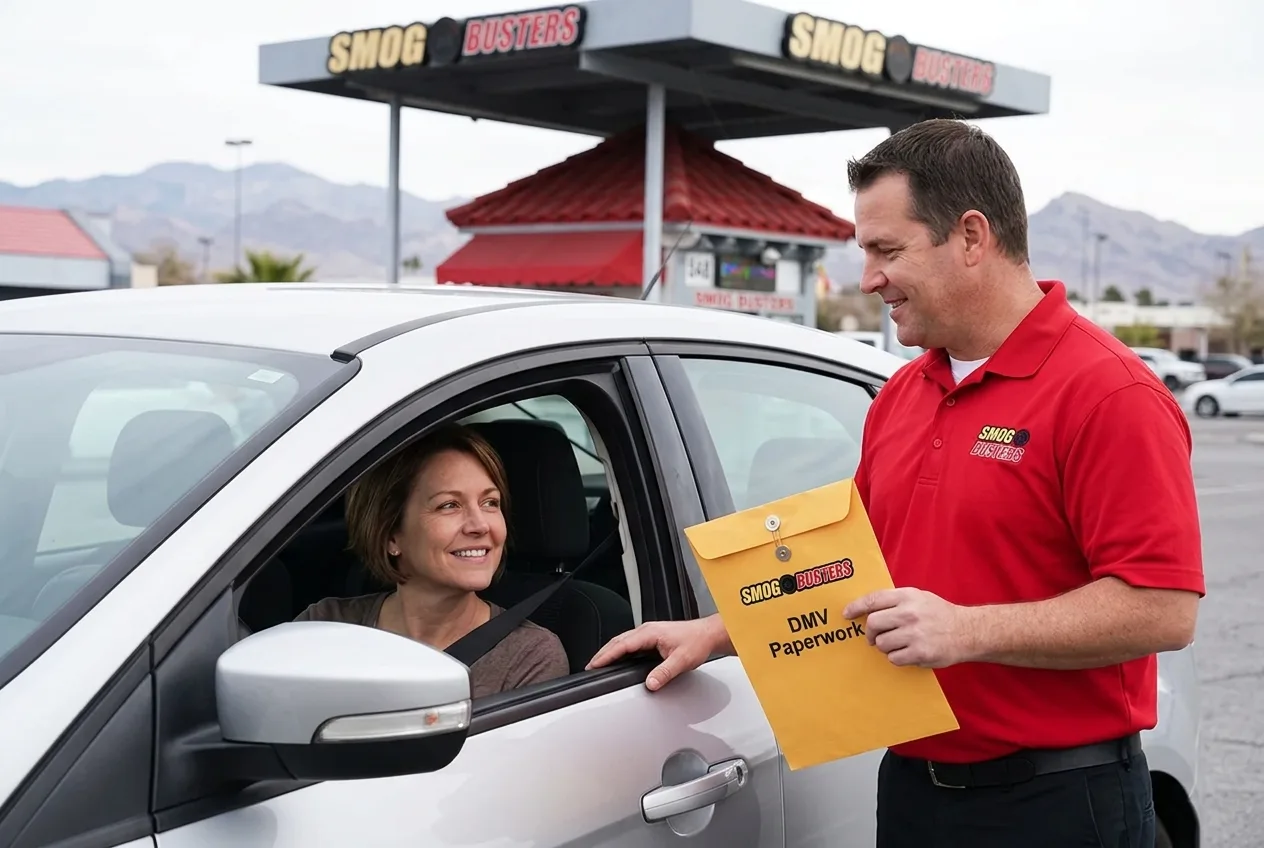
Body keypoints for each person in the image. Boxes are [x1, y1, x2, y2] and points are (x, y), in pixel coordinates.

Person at [587, 119, 1205, 847]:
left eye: (887, 250)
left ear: (971, 237)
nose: (869, 277)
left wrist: (966, 630)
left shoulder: (1108, 394)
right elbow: (856, 570)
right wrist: (719, 635)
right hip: (913, 791)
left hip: (1058, 802)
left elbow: (1163, 610)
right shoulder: (905, 394)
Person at [297, 422, 570, 699]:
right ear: (391, 535)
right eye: (449, 505)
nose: (480, 525)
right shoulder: (325, 626)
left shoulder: (529, 657)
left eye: (490, 503)